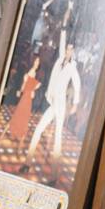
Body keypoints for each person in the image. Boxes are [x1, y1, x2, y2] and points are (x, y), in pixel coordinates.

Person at [27, 32, 80, 161]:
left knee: (57, 137)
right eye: (67, 49)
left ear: (73, 52)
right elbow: (62, 39)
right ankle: (27, 163)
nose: (68, 51)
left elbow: (77, 83)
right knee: (38, 129)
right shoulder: (60, 59)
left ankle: (54, 175)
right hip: (53, 103)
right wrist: (63, 29)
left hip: (61, 105)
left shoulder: (72, 67)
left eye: (70, 50)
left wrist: (75, 104)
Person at [4, 56, 41, 145]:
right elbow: (24, 86)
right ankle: (17, 139)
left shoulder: (35, 72)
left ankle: (18, 139)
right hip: (25, 97)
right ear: (33, 61)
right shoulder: (31, 70)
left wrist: (33, 88)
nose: (36, 62)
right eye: (36, 60)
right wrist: (29, 88)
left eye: (38, 61)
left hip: (27, 98)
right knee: (20, 116)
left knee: (22, 117)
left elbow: (30, 86)